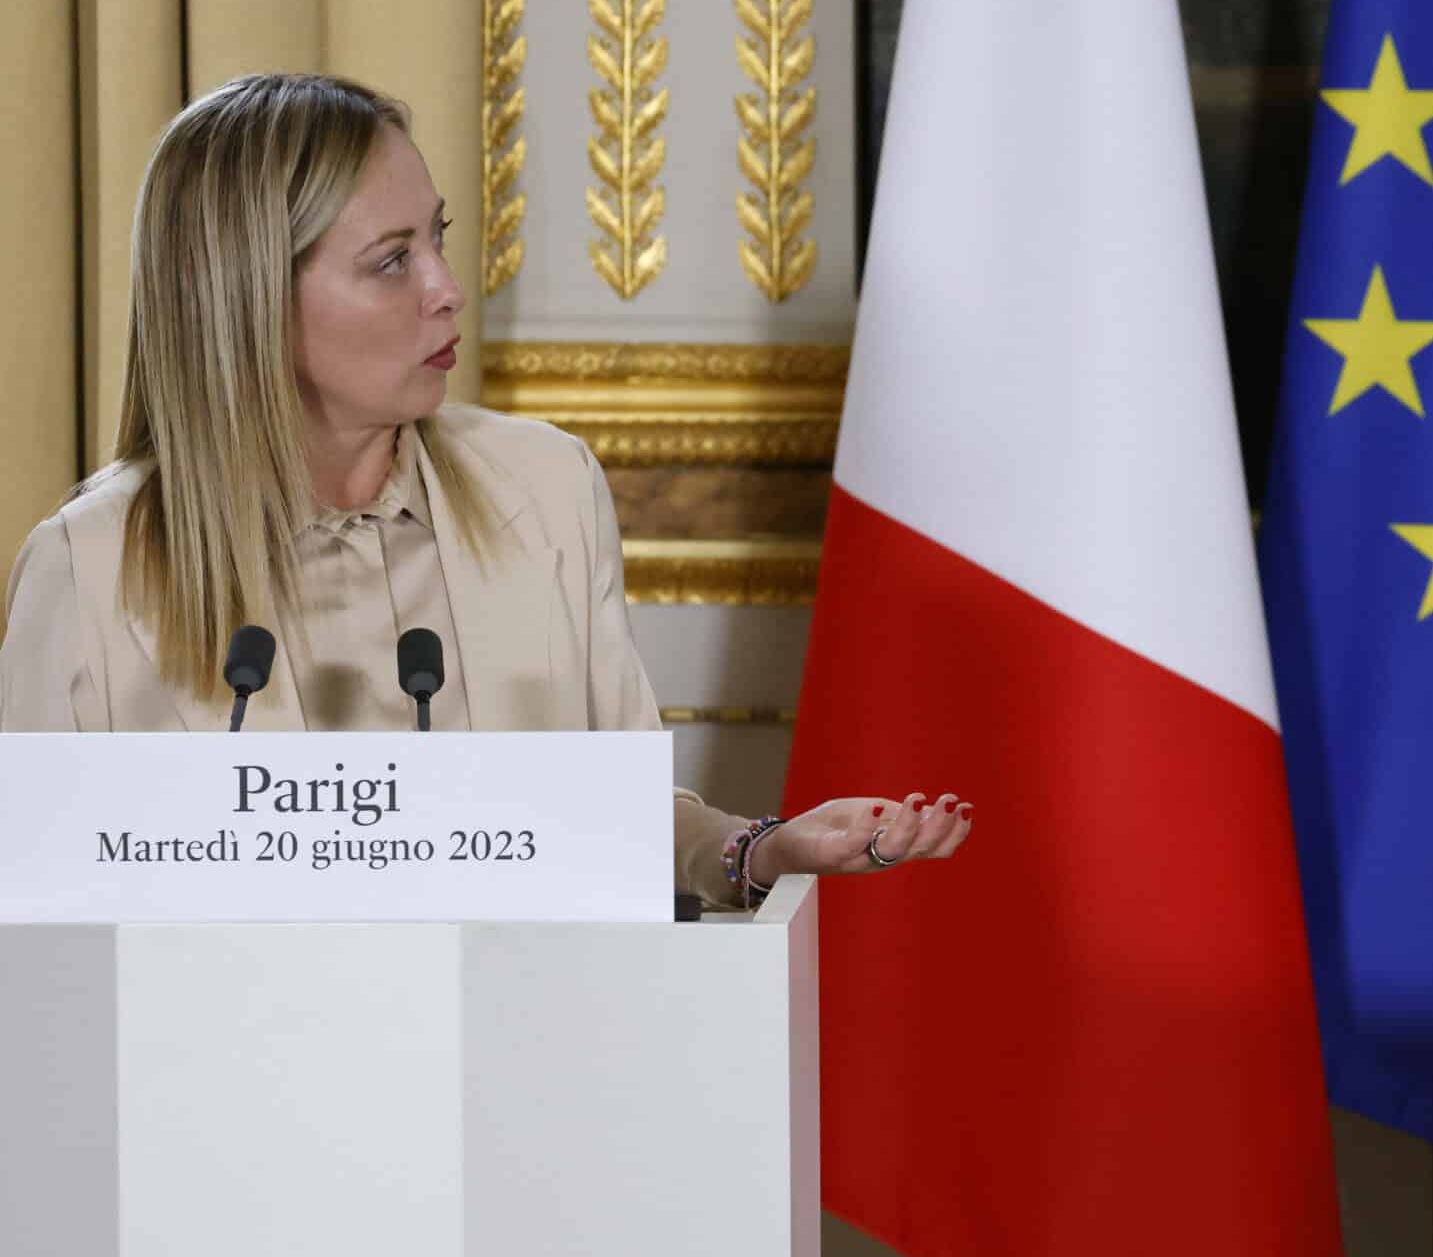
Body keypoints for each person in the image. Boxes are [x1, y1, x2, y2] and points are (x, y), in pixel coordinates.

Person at [0, 73, 972, 907]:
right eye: (392, 261)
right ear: (247, 299)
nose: (446, 288)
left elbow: (615, 815)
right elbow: (37, 920)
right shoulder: (92, 566)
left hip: (522, 1076)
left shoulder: (544, 489)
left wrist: (758, 852)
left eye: (437, 239)